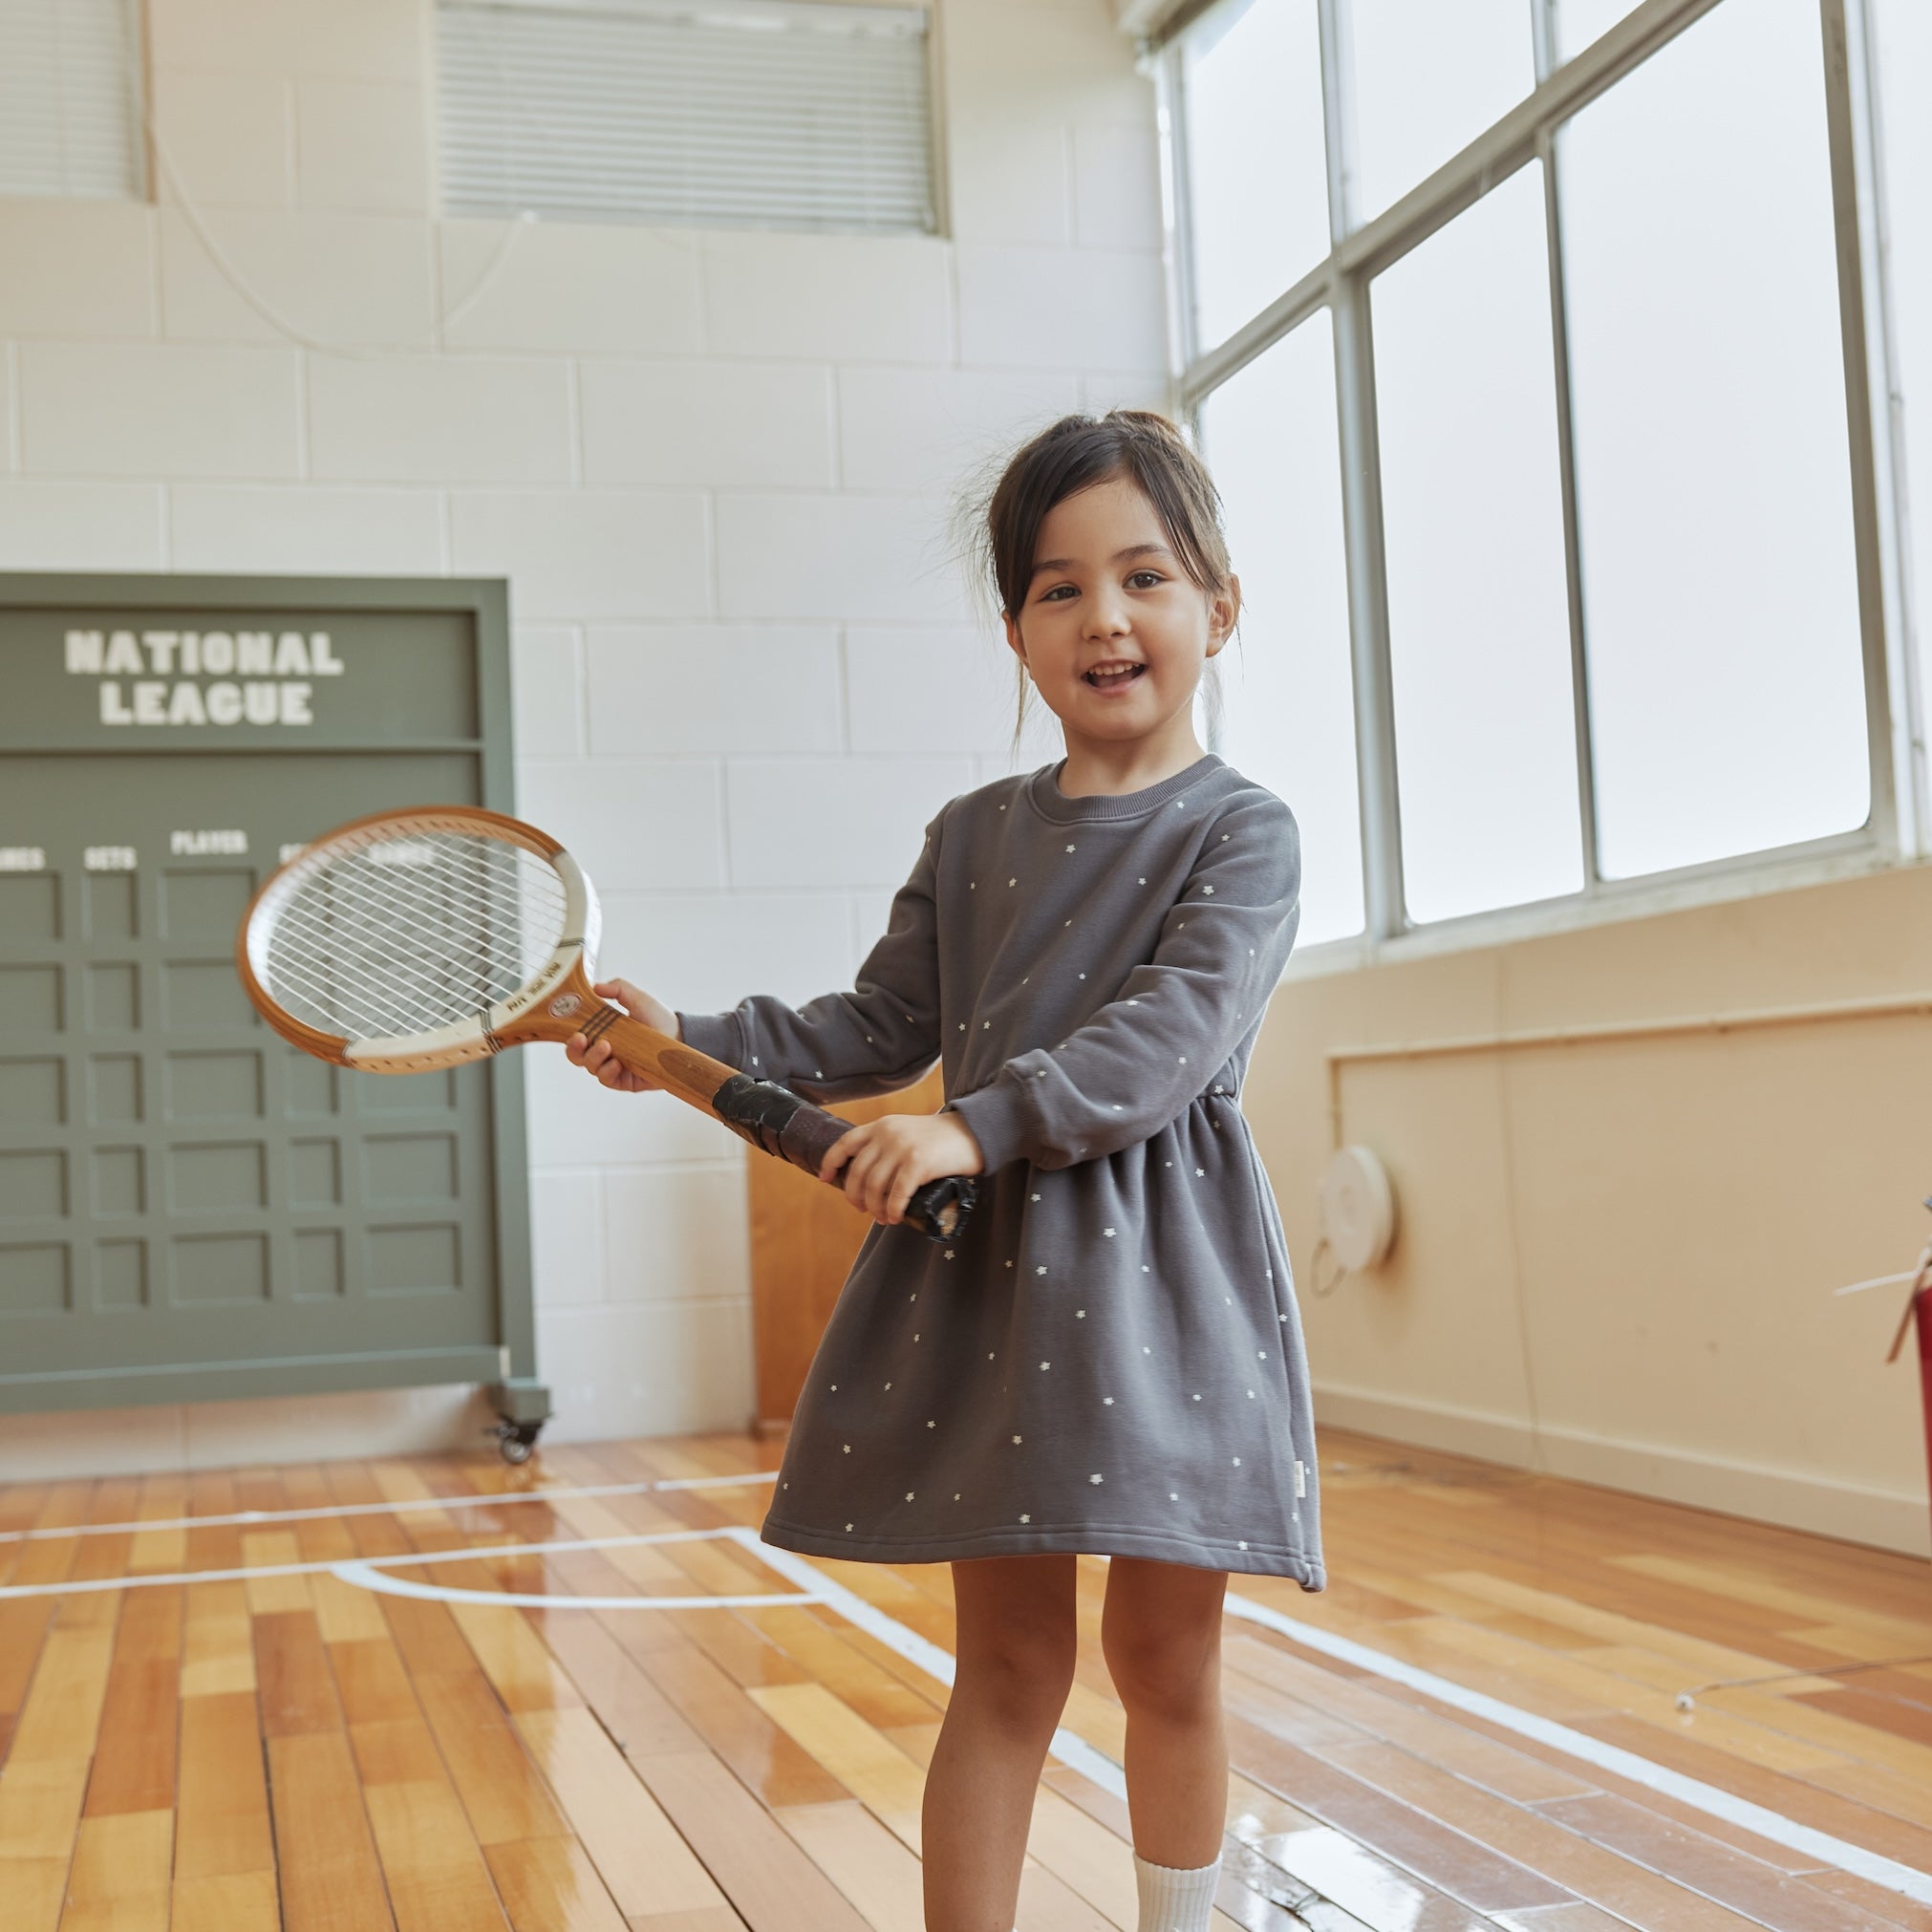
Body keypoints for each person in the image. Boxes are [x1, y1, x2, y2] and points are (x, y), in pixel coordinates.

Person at [569, 410, 1321, 1932]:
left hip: (1165, 1288)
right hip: (993, 1284)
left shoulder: (1245, 833)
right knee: (1008, 1666)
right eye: (1057, 588)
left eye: (1144, 575)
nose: (1103, 615)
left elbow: (1170, 1040)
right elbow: (874, 1022)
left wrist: (970, 1125)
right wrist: (683, 1035)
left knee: (1166, 1660)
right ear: (1016, 632)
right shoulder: (972, 832)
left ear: (1217, 607)